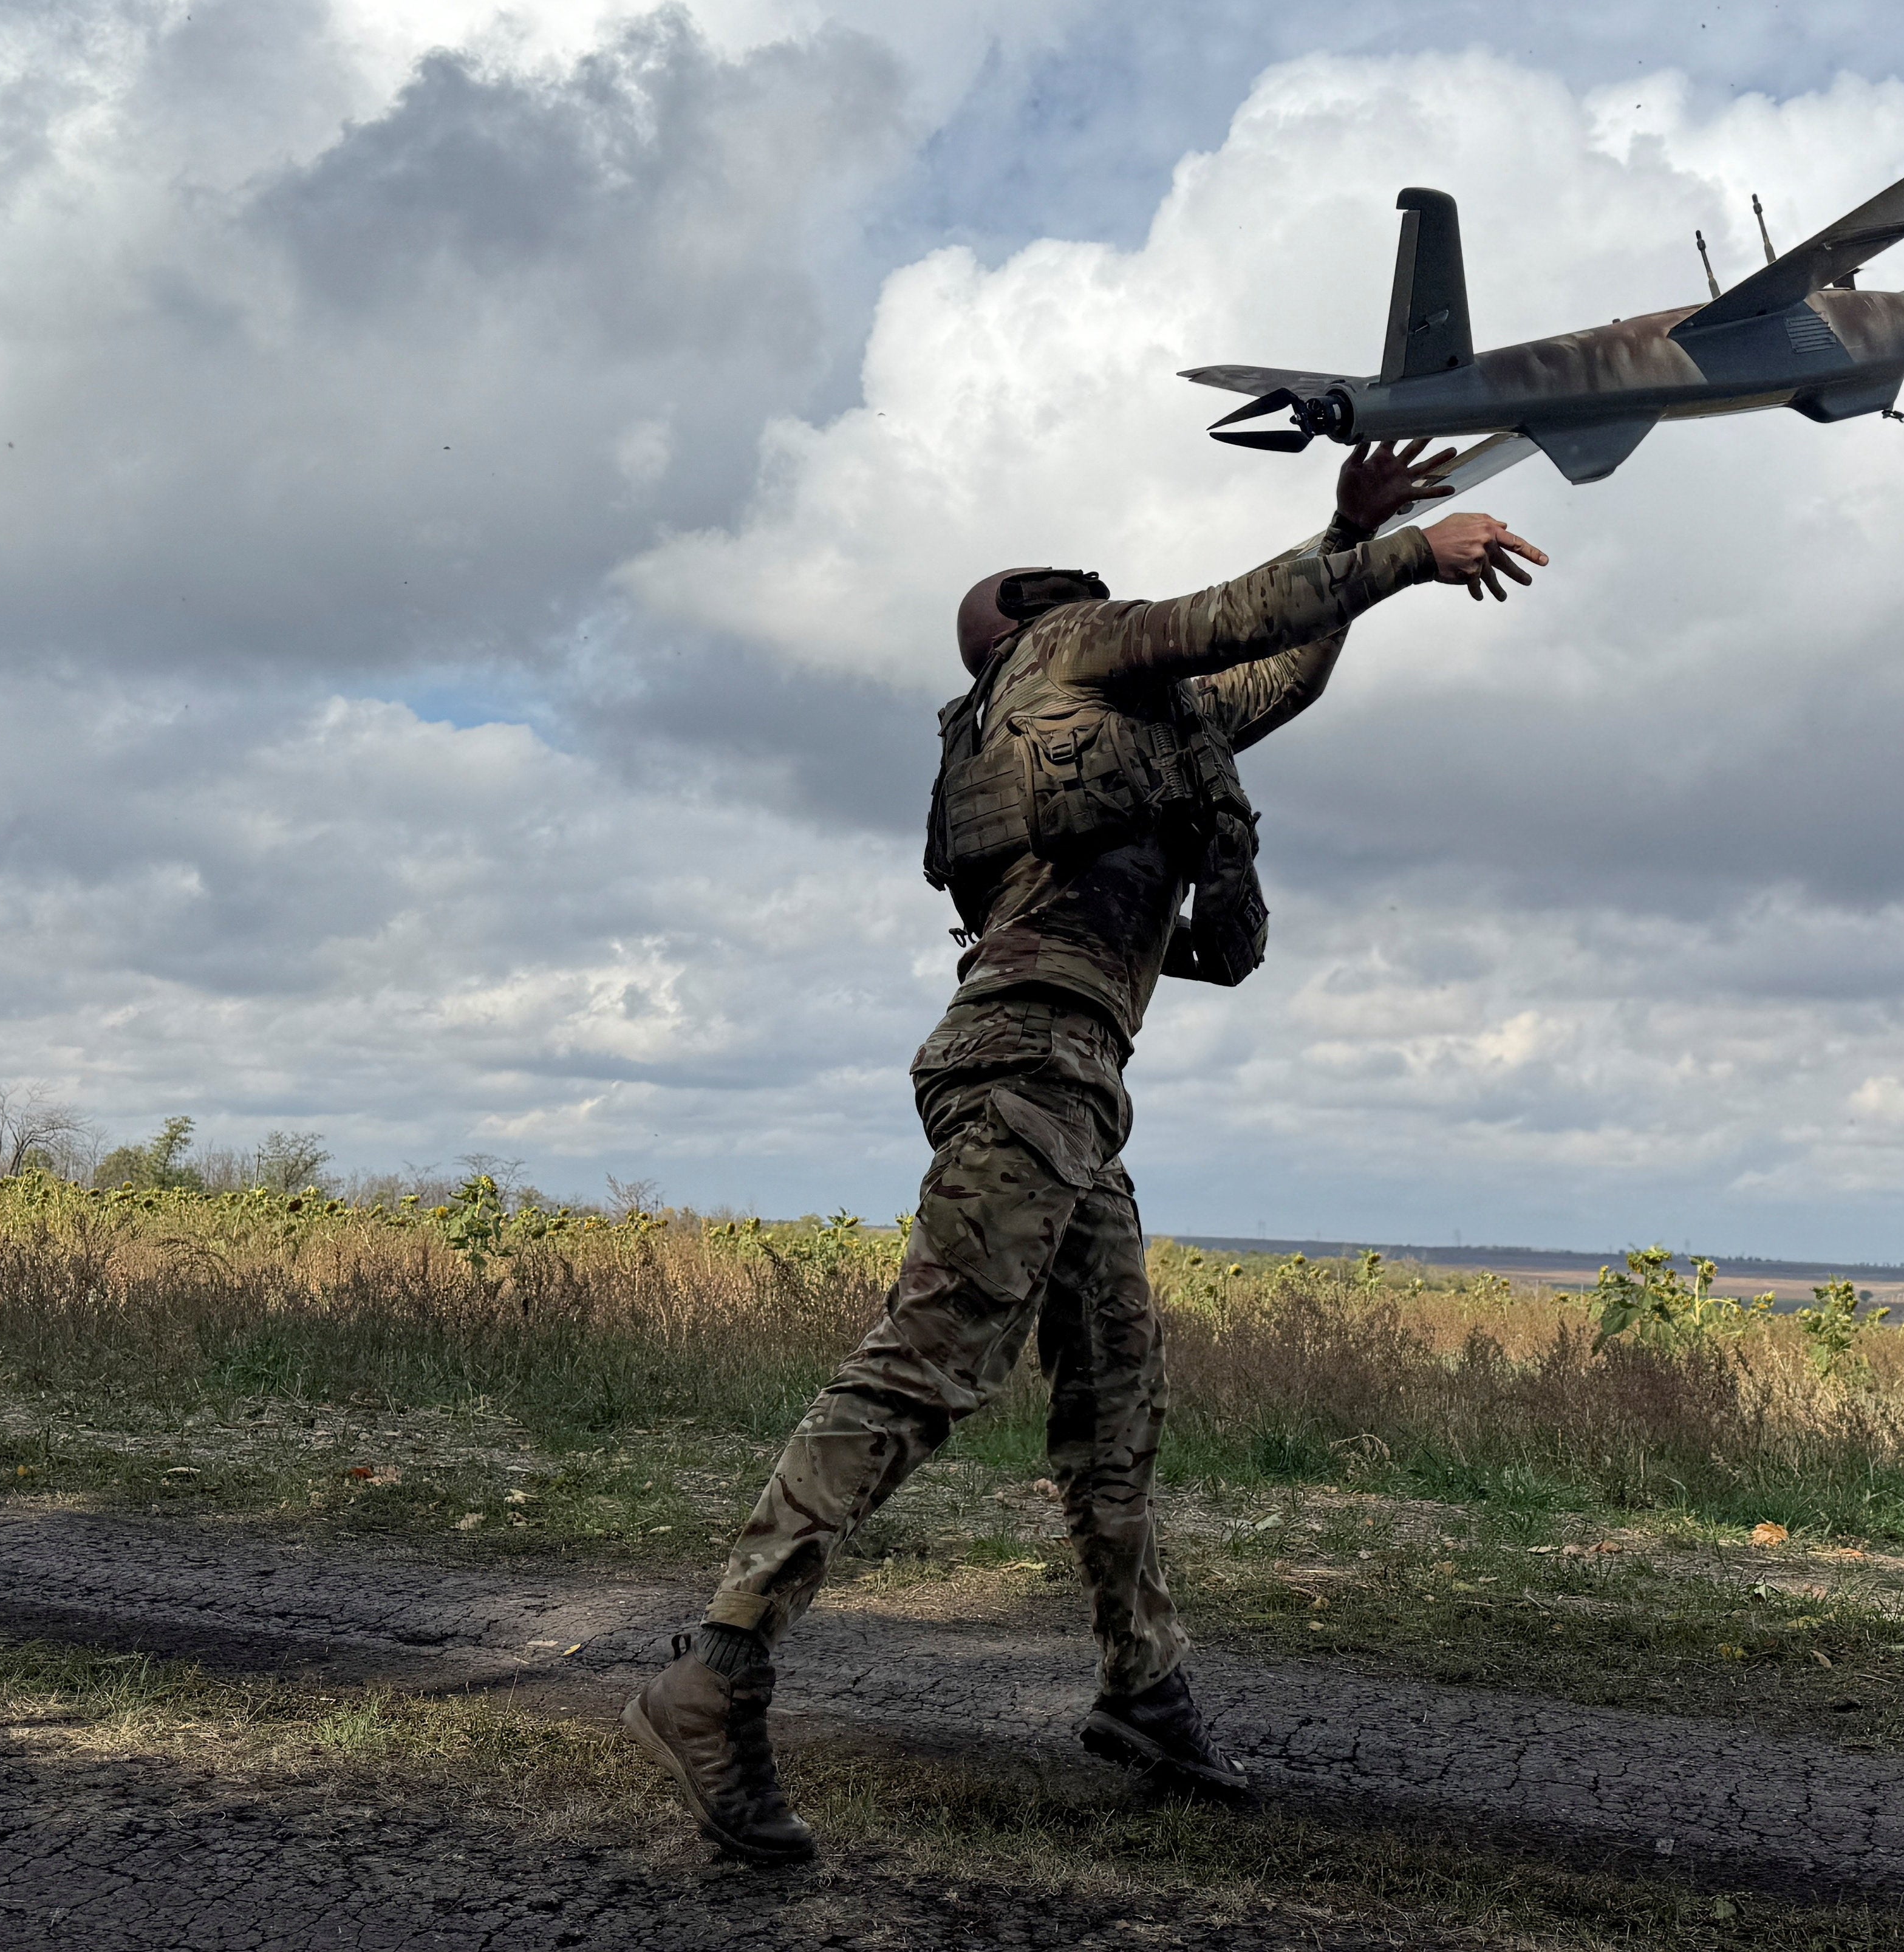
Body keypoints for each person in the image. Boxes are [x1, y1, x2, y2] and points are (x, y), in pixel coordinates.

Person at [622, 440, 1549, 1863]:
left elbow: (1272, 663)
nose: (1082, 595)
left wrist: (1344, 546)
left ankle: (1141, 1691)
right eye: (1050, 594)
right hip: (1026, 1067)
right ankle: (720, 1662)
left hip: (1072, 1090)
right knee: (931, 1362)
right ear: (1019, 636)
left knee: (1117, 1401)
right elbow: (1229, 621)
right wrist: (1408, 553)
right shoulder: (1065, 655)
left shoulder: (1132, 728)